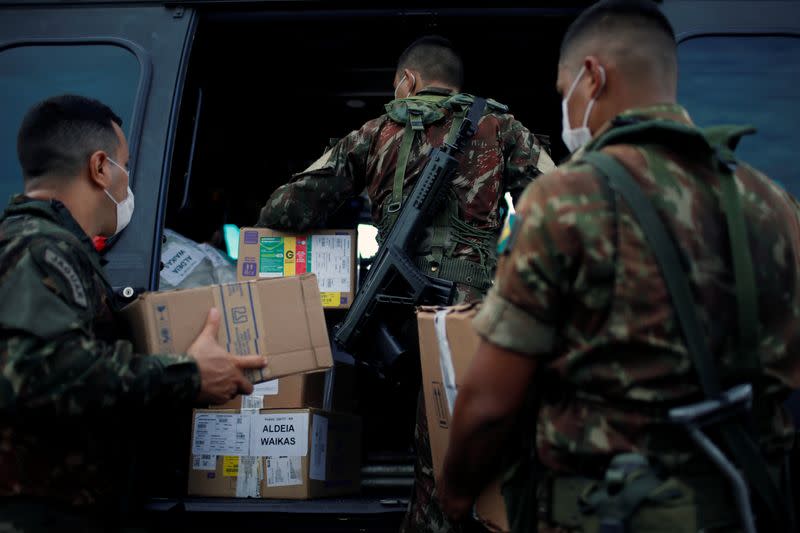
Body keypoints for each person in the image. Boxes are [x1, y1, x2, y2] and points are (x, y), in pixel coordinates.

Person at [437, 1, 799, 532]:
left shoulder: (563, 201)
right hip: (746, 507)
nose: (566, 110)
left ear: (592, 76)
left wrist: (454, 494)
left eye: (564, 95)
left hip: (605, 513)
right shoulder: (774, 204)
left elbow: (491, 403)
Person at [257, 35, 554, 533]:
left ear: (406, 82)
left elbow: (283, 209)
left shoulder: (374, 132)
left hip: (399, 309)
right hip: (476, 317)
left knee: (434, 454)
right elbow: (559, 202)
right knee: (460, 449)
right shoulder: (502, 128)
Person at [0, 94, 267, 530]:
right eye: (125, 165)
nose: (128, 184)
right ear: (101, 167)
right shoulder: (37, 248)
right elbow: (34, 370)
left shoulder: (51, 248)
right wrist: (186, 375)